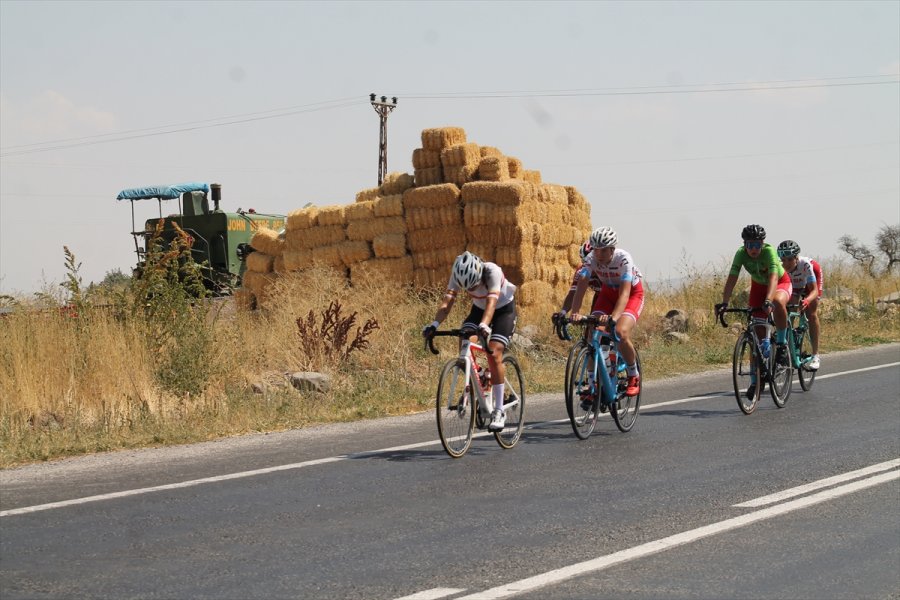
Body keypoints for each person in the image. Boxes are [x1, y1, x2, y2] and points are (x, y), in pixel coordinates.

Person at [422, 251, 518, 431]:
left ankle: (499, 410)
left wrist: (484, 325)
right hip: (478, 310)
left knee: (495, 352)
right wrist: (434, 325)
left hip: (503, 310)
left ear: (480, 275)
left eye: (474, 287)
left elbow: (491, 304)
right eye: (469, 289)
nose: (471, 291)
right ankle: (481, 374)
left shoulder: (492, 272)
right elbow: (446, 303)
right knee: (465, 337)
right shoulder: (457, 274)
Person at [715, 224, 793, 400]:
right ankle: (754, 381)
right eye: (749, 245)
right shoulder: (740, 254)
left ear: (762, 244)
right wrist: (724, 302)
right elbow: (732, 278)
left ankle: (781, 345)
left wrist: (769, 300)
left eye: (757, 245)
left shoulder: (769, 252)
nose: (753, 249)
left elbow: (773, 277)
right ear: (744, 245)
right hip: (758, 286)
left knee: (778, 302)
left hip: (779, 282)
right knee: (756, 338)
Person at [568, 227, 644, 397]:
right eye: (596, 250)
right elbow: (581, 285)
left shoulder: (624, 259)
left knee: (620, 331)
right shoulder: (590, 258)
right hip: (607, 294)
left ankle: (633, 375)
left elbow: (624, 294)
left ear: (612, 249)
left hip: (631, 294)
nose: (599, 255)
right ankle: (594, 382)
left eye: (603, 250)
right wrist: (575, 312)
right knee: (590, 333)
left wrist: (613, 317)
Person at [777, 240, 823, 370]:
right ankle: (787, 345)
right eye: (783, 260)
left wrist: (807, 300)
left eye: (790, 260)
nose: (786, 263)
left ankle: (815, 355)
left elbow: (814, 291)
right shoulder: (780, 268)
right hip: (795, 285)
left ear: (796, 258)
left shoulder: (806, 265)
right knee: (788, 310)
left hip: (811, 281)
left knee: (811, 313)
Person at [552, 240, 602, 332]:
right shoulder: (582, 271)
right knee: (591, 329)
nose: (588, 266)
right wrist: (563, 312)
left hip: (615, 295)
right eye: (585, 262)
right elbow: (573, 294)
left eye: (591, 263)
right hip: (600, 296)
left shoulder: (607, 271)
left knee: (604, 328)